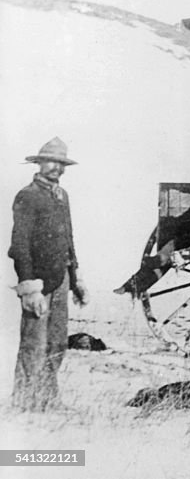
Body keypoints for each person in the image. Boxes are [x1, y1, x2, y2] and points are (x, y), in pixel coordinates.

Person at [9, 137, 90, 412]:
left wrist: (76, 276)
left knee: (57, 342)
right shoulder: (27, 196)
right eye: (51, 161)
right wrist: (29, 286)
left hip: (62, 279)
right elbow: (19, 245)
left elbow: (69, 238)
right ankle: (24, 401)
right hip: (39, 282)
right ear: (40, 163)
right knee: (34, 343)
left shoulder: (62, 196)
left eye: (62, 163)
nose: (56, 167)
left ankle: (47, 399)